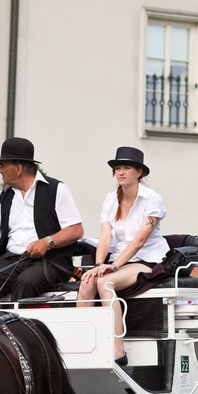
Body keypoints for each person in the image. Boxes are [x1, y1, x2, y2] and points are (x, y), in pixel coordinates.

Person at [0, 137, 83, 303]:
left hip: (49, 262)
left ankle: (18, 329)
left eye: (3, 165)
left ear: (18, 168)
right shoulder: (3, 197)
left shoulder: (56, 190)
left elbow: (76, 230)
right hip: (11, 260)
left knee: (25, 282)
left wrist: (47, 242)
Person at [78, 147, 167, 362]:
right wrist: (99, 264)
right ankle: (85, 344)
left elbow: (139, 241)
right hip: (118, 261)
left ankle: (119, 351)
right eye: (117, 168)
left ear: (140, 172)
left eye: (126, 167)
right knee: (87, 282)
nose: (120, 172)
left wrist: (114, 266)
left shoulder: (152, 200)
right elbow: (105, 236)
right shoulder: (110, 200)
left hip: (147, 259)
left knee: (105, 283)